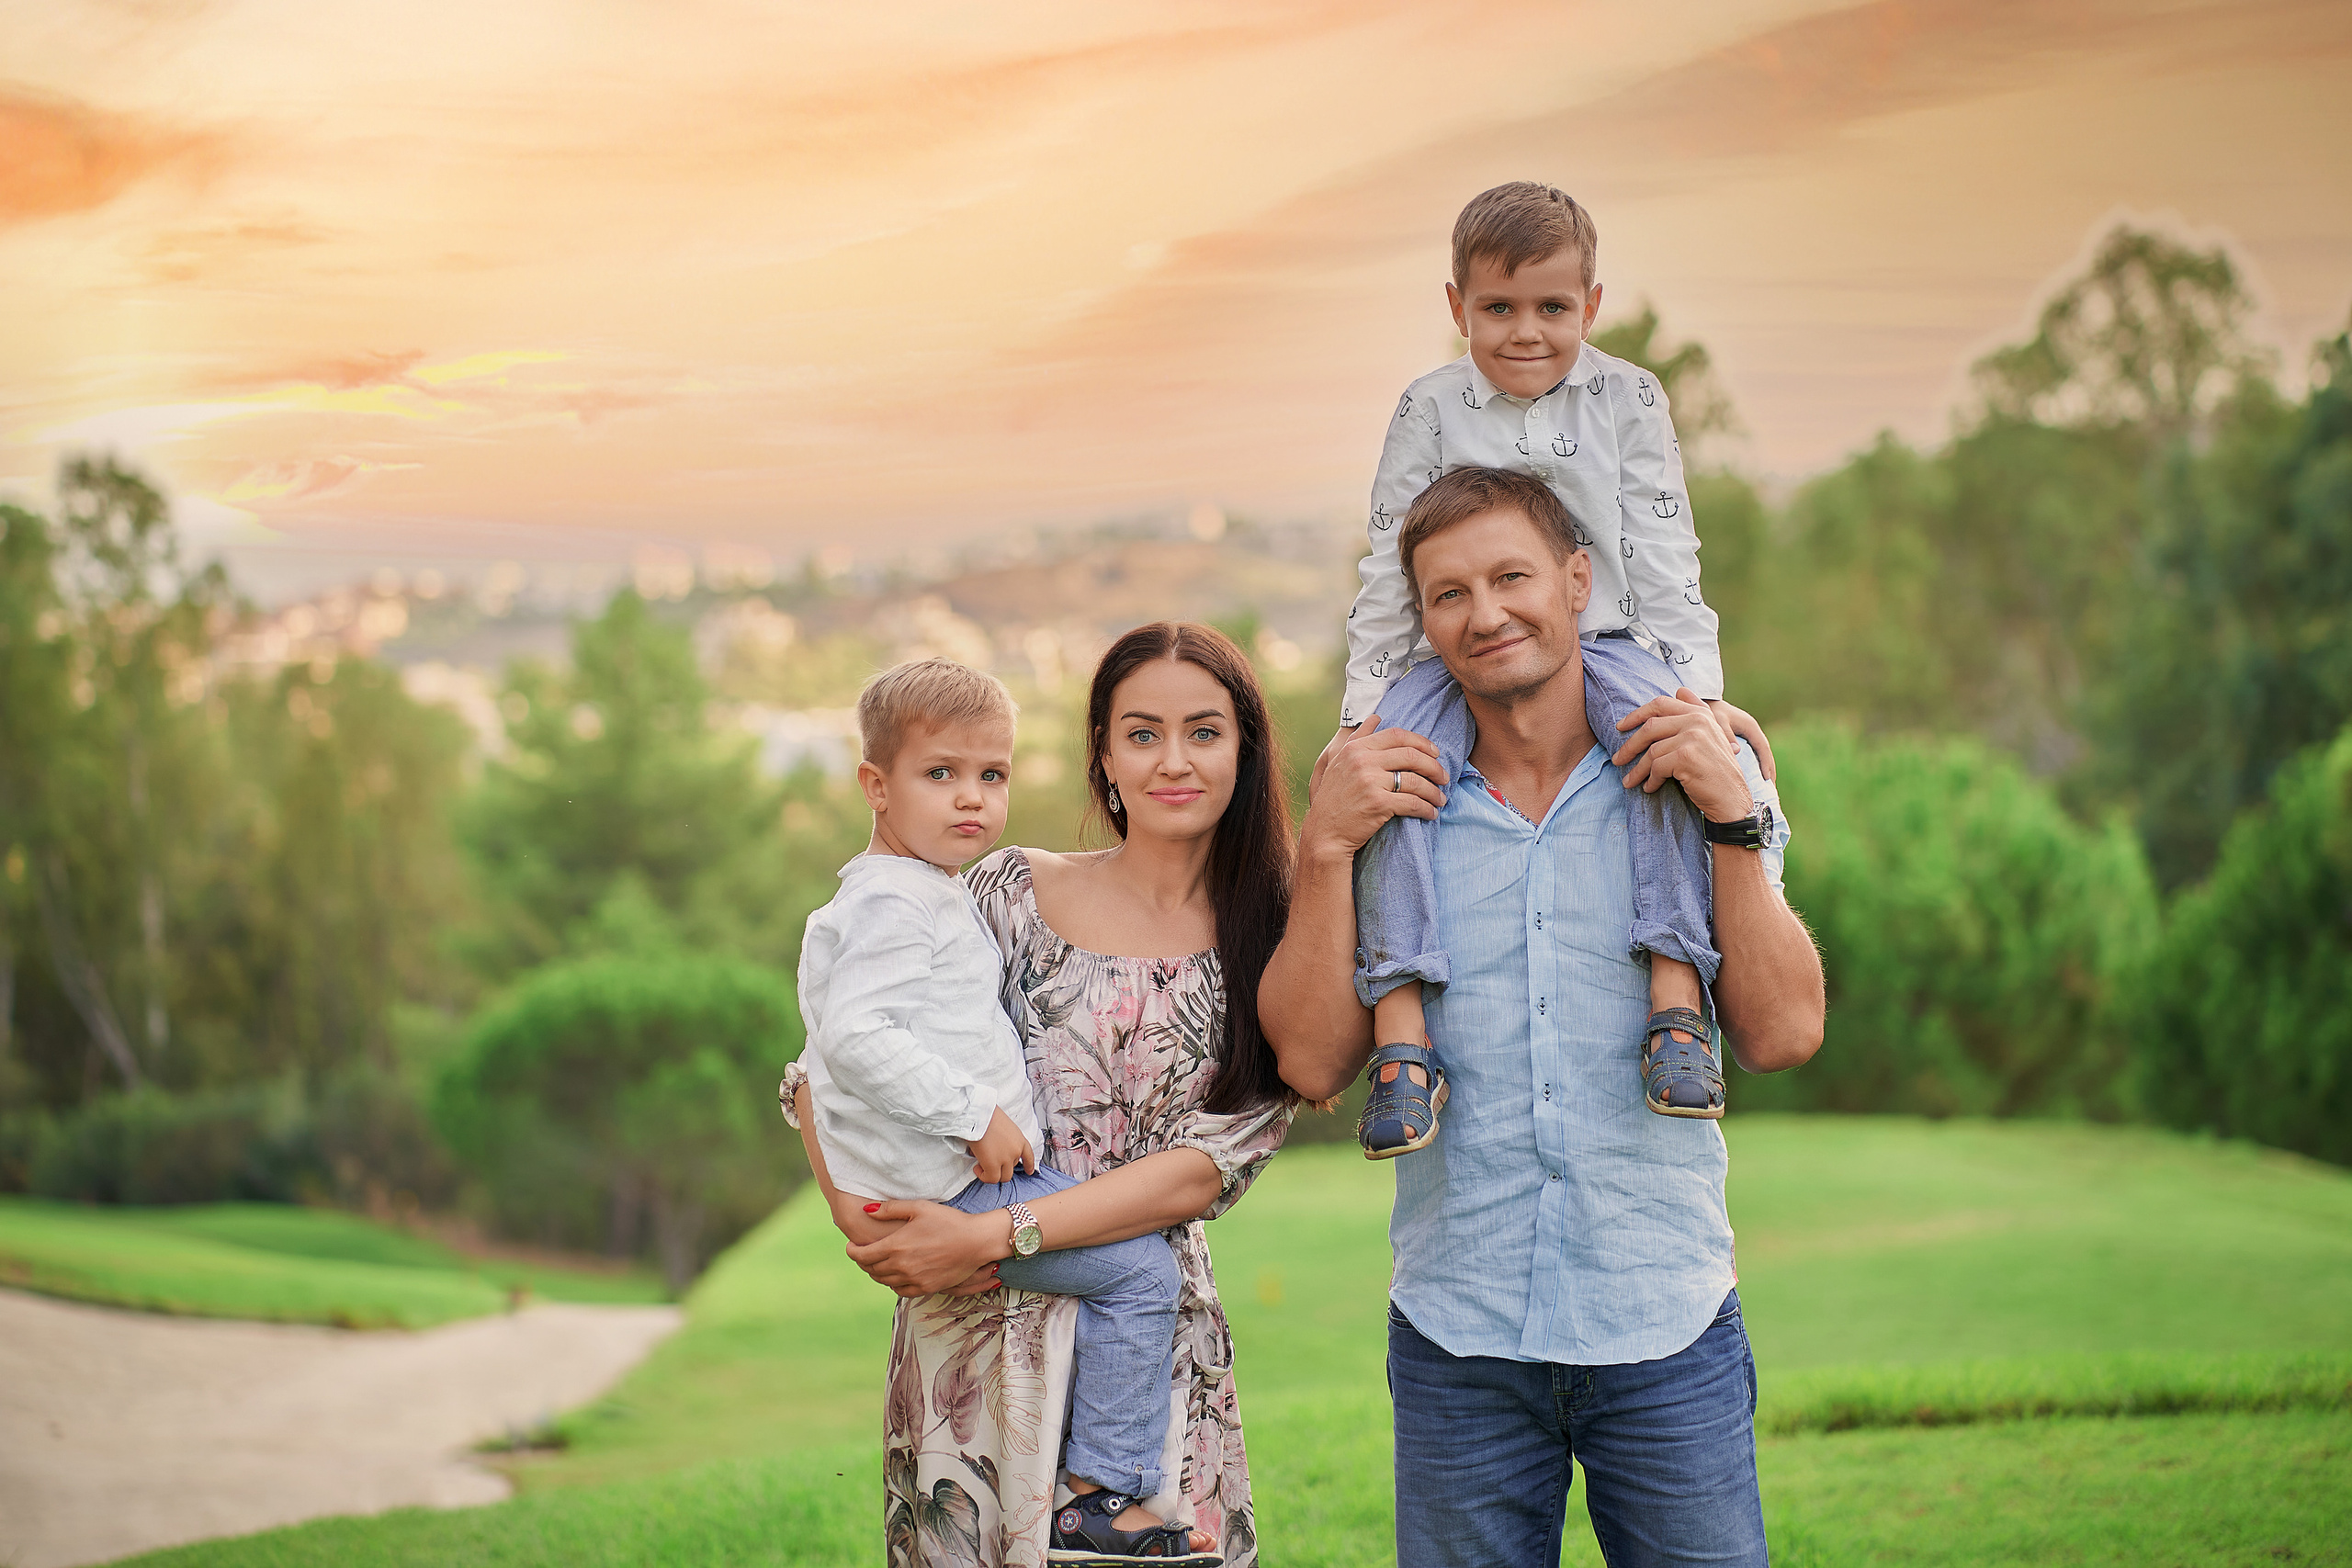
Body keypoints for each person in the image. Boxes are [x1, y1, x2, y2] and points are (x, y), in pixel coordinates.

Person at [1261, 471, 1826, 1566]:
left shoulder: (1695, 770)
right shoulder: (1380, 802)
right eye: (1449, 594)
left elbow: (1783, 1035)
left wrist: (1735, 820)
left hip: (1665, 1327)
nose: (1484, 614)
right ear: (1422, 620)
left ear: (1576, 582)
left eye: (1510, 577)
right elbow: (1313, 1062)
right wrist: (1322, 848)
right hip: (1457, 1339)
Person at [786, 623, 1296, 1568]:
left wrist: (990, 1233)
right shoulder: (1001, 890)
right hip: (970, 1332)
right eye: (1140, 733)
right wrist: (861, 1214)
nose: (1172, 760)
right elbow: (838, 1057)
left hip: (1138, 1343)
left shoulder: (1272, 941)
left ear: (1247, 749)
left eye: (1204, 731)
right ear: (1103, 754)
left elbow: (1205, 1168)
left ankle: (1103, 1491)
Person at [1333, 180, 1778, 1157]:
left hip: (1610, 644)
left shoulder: (1629, 399)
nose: (1526, 332)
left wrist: (1699, 694)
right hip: (1448, 658)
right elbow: (1389, 563)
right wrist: (1363, 710)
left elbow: (1664, 546)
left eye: (1552, 307)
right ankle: (1402, 1035)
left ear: (1591, 305)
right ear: (1457, 306)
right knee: (1389, 783)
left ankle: (1674, 998)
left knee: (1665, 758)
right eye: (1498, 307)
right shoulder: (1429, 407)